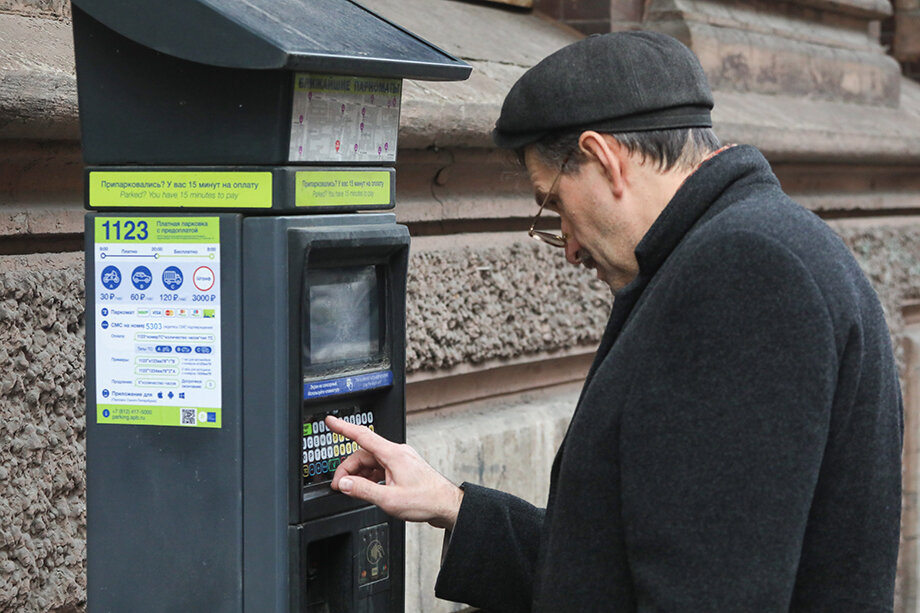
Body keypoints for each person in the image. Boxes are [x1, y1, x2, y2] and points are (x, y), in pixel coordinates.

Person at [326, 31, 903, 611]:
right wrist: (452, 504)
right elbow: (623, 568)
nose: (569, 247)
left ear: (603, 158)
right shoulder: (761, 245)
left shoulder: (744, 271)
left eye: (552, 204)